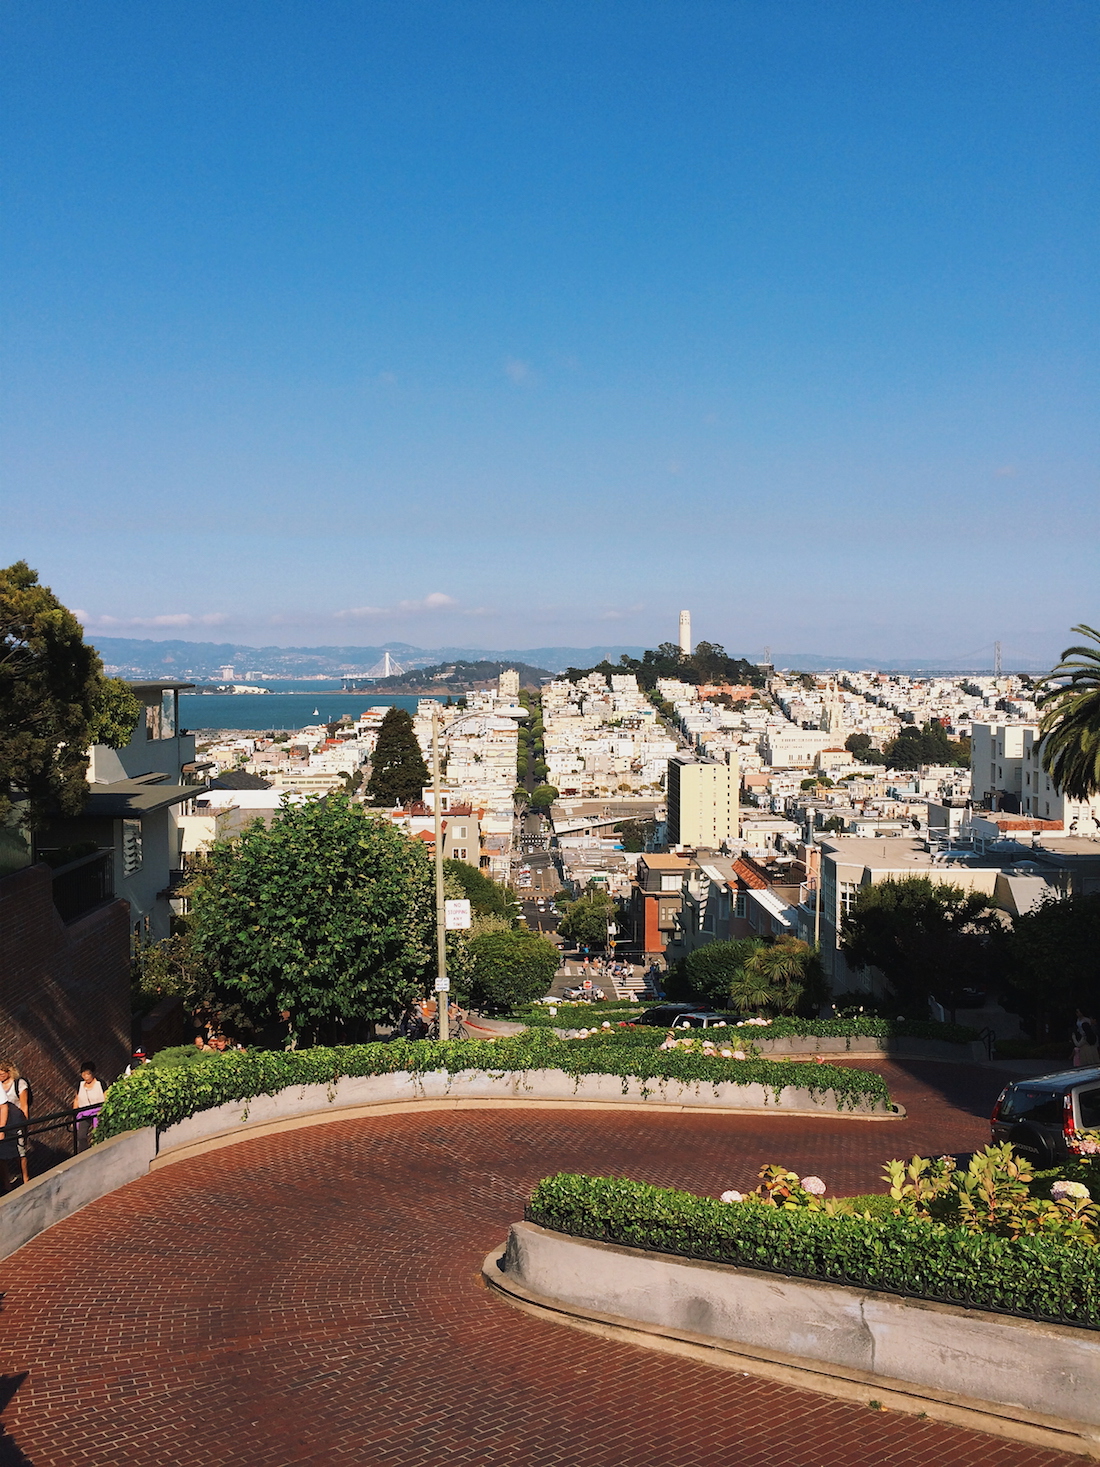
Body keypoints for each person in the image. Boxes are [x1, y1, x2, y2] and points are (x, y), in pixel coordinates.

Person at [0, 1060, 29, 1185]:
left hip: (16, 1122)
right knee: (2, 1155)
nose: (0, 1076)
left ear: (9, 1072)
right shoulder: (0, 1085)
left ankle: (25, 1177)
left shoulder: (19, 1084)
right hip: (4, 1123)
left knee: (20, 1152)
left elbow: (24, 1105)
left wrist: (25, 1123)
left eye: (2, 1074)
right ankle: (7, 1183)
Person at [72, 1062, 105, 1152]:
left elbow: (106, 1097)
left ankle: (99, 1151)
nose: (86, 1077)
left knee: (98, 1133)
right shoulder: (80, 1085)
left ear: (93, 1073)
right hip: (84, 1113)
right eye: (83, 1074)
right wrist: (74, 1115)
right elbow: (77, 1099)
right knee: (81, 1136)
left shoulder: (100, 1083)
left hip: (98, 1112)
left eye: (88, 1074)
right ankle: (84, 1154)